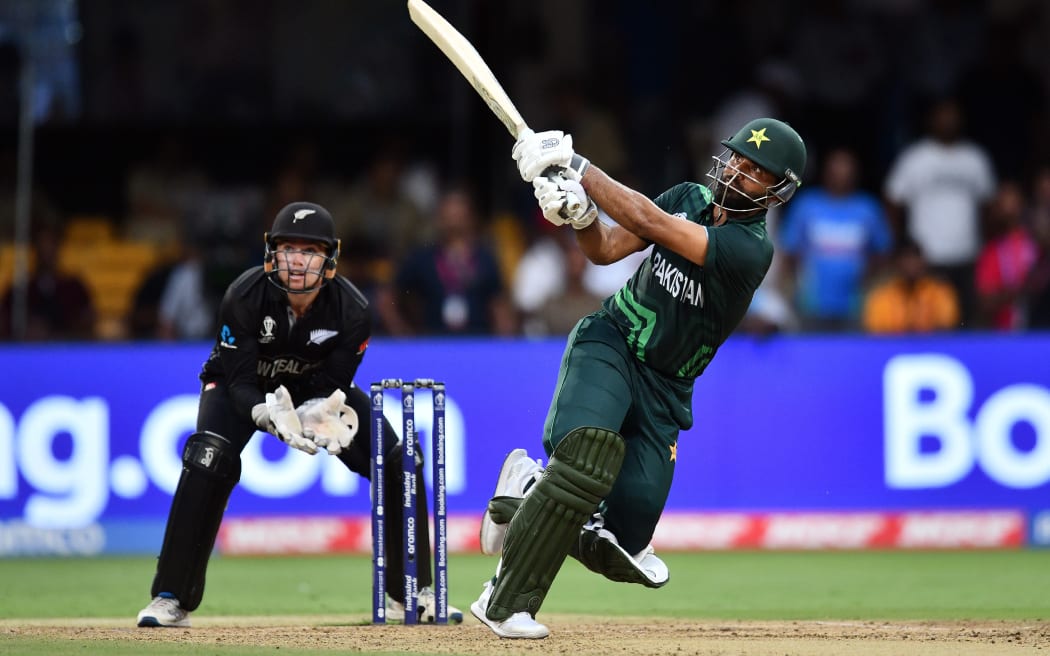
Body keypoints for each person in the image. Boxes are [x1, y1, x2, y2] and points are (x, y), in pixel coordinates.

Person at [470, 118, 806, 639]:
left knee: (620, 543)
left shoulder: (749, 249)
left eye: (756, 170)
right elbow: (604, 248)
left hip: (666, 392)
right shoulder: (689, 195)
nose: (739, 169)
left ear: (777, 191)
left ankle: (526, 489)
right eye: (738, 156)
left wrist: (578, 168)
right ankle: (506, 602)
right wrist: (580, 215)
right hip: (612, 342)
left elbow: (651, 221)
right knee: (585, 457)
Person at [136, 202, 462, 628]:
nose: (297, 261)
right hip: (243, 386)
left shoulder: (353, 311)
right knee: (208, 457)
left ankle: (414, 593)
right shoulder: (244, 295)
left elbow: (336, 383)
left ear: (329, 260)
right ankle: (170, 598)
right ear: (272, 253)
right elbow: (237, 383)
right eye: (288, 249)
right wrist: (267, 416)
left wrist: (320, 414)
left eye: (309, 251)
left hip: (317, 390)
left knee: (398, 459)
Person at [779, 146, 892, 331]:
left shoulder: (867, 208)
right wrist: (787, 292)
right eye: (836, 170)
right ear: (825, 172)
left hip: (855, 305)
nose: (841, 176)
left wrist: (870, 286)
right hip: (811, 304)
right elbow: (790, 252)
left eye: (847, 170)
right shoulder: (806, 205)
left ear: (856, 174)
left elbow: (882, 253)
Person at [861, 237, 960, 334]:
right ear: (897, 263)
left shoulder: (940, 292)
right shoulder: (882, 295)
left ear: (923, 261)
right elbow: (876, 329)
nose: (911, 264)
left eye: (915, 258)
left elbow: (948, 324)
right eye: (906, 259)